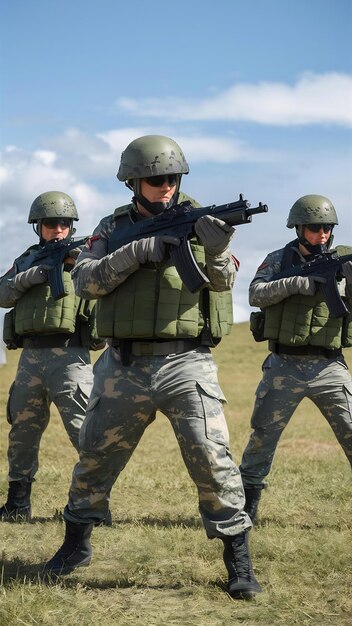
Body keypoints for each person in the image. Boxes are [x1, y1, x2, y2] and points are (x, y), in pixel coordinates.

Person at [44, 135, 262, 599]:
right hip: (121, 363)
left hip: (187, 362)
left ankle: (239, 561)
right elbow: (84, 280)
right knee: (94, 459)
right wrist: (138, 252)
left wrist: (219, 249)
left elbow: (223, 282)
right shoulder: (111, 227)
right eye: (156, 179)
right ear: (134, 182)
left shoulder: (201, 218)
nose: (166, 186)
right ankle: (75, 545)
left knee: (212, 458)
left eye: (173, 178)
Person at [240, 194, 352, 522]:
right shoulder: (278, 259)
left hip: (329, 365)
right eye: (316, 228)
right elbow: (255, 293)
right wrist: (298, 283)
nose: (323, 234)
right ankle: (248, 508)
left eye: (328, 228)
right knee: (263, 437)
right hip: (283, 366)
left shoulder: (343, 260)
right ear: (299, 228)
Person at [0, 191, 105, 523]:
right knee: (22, 433)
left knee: (83, 432)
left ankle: (95, 507)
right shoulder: (27, 259)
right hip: (30, 357)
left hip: (70, 359)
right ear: (38, 226)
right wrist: (30, 277)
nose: (57, 229)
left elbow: (102, 285)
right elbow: (3, 293)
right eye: (50, 223)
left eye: (63, 223)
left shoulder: (82, 258)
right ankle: (17, 505)